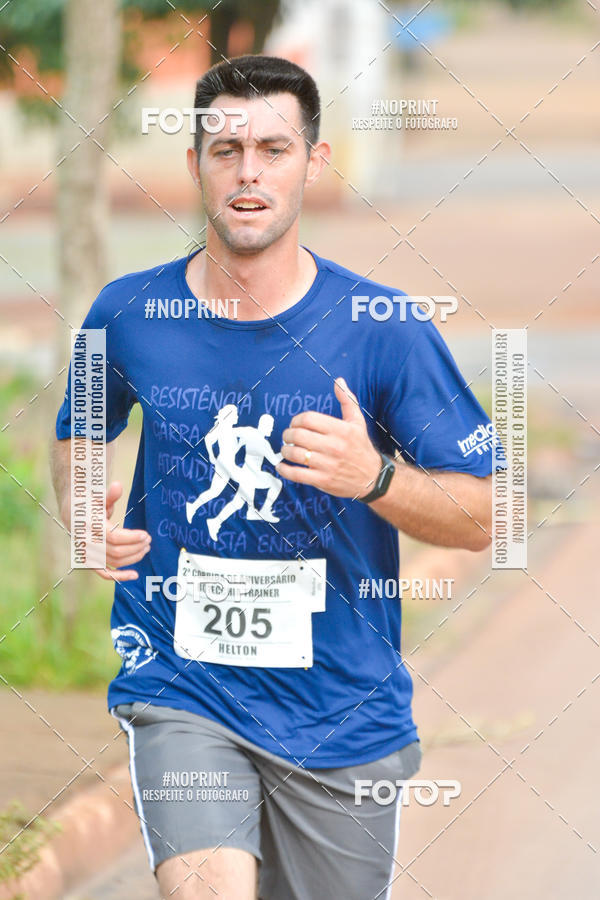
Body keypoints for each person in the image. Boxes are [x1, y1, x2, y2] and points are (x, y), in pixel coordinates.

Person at [51, 55, 495, 900]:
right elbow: (81, 431)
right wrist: (83, 511)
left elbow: (484, 514)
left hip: (341, 711)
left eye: (274, 149)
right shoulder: (125, 312)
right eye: (226, 150)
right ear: (194, 166)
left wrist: (374, 480)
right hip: (182, 684)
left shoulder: (383, 328)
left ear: (314, 163)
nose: (249, 171)